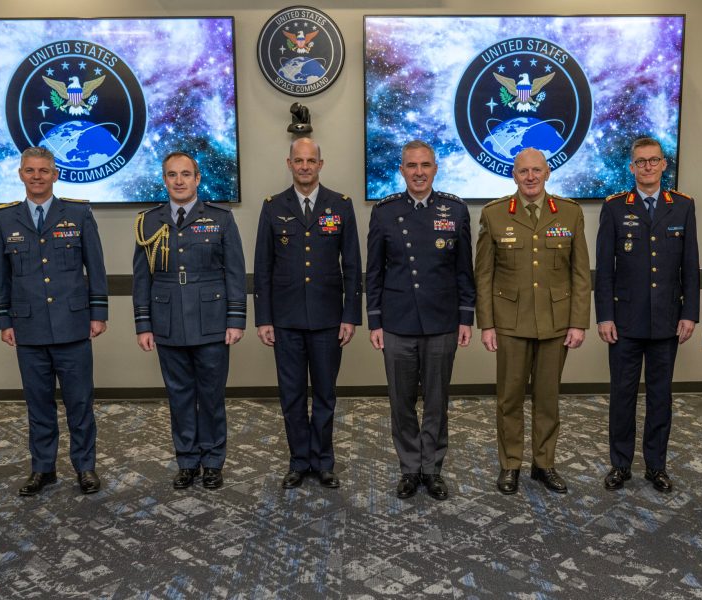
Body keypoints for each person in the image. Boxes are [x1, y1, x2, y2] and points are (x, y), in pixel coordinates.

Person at [0, 146, 108, 496]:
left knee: (79, 404)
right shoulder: (4, 219)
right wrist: (4, 320)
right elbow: (2, 275)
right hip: (28, 328)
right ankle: (43, 469)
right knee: (38, 405)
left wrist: (98, 313)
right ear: (20, 174)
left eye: (44, 170)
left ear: (56, 174)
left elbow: (96, 268)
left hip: (73, 325)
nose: (37, 176)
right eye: (30, 170)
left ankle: (85, 467)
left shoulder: (78, 213)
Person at [475, 147, 590, 495]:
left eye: (536, 170)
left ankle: (544, 463)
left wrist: (578, 322)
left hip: (555, 323)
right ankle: (510, 464)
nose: (530, 176)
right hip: (510, 322)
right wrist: (487, 324)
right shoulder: (495, 214)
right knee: (508, 399)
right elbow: (483, 274)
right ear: (514, 174)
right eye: (523, 171)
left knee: (548, 398)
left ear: (547, 173)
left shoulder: (569, 213)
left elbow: (580, 273)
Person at [366, 139, 475, 501]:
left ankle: (432, 468)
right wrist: (375, 321)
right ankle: (409, 468)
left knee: (436, 401)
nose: (418, 172)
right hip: (397, 323)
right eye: (411, 166)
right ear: (401, 170)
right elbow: (374, 273)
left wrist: (465, 317)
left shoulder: (455, 211)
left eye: (425, 165)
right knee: (401, 402)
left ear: (435, 168)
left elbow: (464, 271)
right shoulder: (384, 212)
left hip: (441, 321)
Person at [132, 151, 246, 490]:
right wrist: (144, 324)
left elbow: (235, 273)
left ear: (198, 179)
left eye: (185, 174)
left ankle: (212, 461)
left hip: (211, 321)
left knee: (211, 396)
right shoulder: (148, 222)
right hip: (167, 322)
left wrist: (235, 319)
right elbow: (142, 279)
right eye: (172, 175)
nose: (179, 181)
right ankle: (186, 460)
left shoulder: (220, 219)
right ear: (164, 180)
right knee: (179, 395)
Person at [253, 137, 361, 489]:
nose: (304, 166)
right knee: (293, 395)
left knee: (326, 394)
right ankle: (299, 461)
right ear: (289, 164)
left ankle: (324, 461)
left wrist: (350, 316)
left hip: (329, 320)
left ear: (320, 163)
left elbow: (353, 267)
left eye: (310, 161)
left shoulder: (340, 206)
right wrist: (264, 318)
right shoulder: (272, 207)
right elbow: (263, 268)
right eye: (298, 161)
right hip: (285, 320)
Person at [594, 137, 699, 493]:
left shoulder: (682, 207)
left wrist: (690, 314)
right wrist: (604, 316)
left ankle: (656, 466)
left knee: (660, 397)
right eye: (641, 162)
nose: (648, 167)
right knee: (622, 396)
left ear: (664, 165)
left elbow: (689, 266)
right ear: (632, 167)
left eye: (654, 161)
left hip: (667, 321)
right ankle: (620, 465)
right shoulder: (614, 208)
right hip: (624, 322)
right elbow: (604, 270)